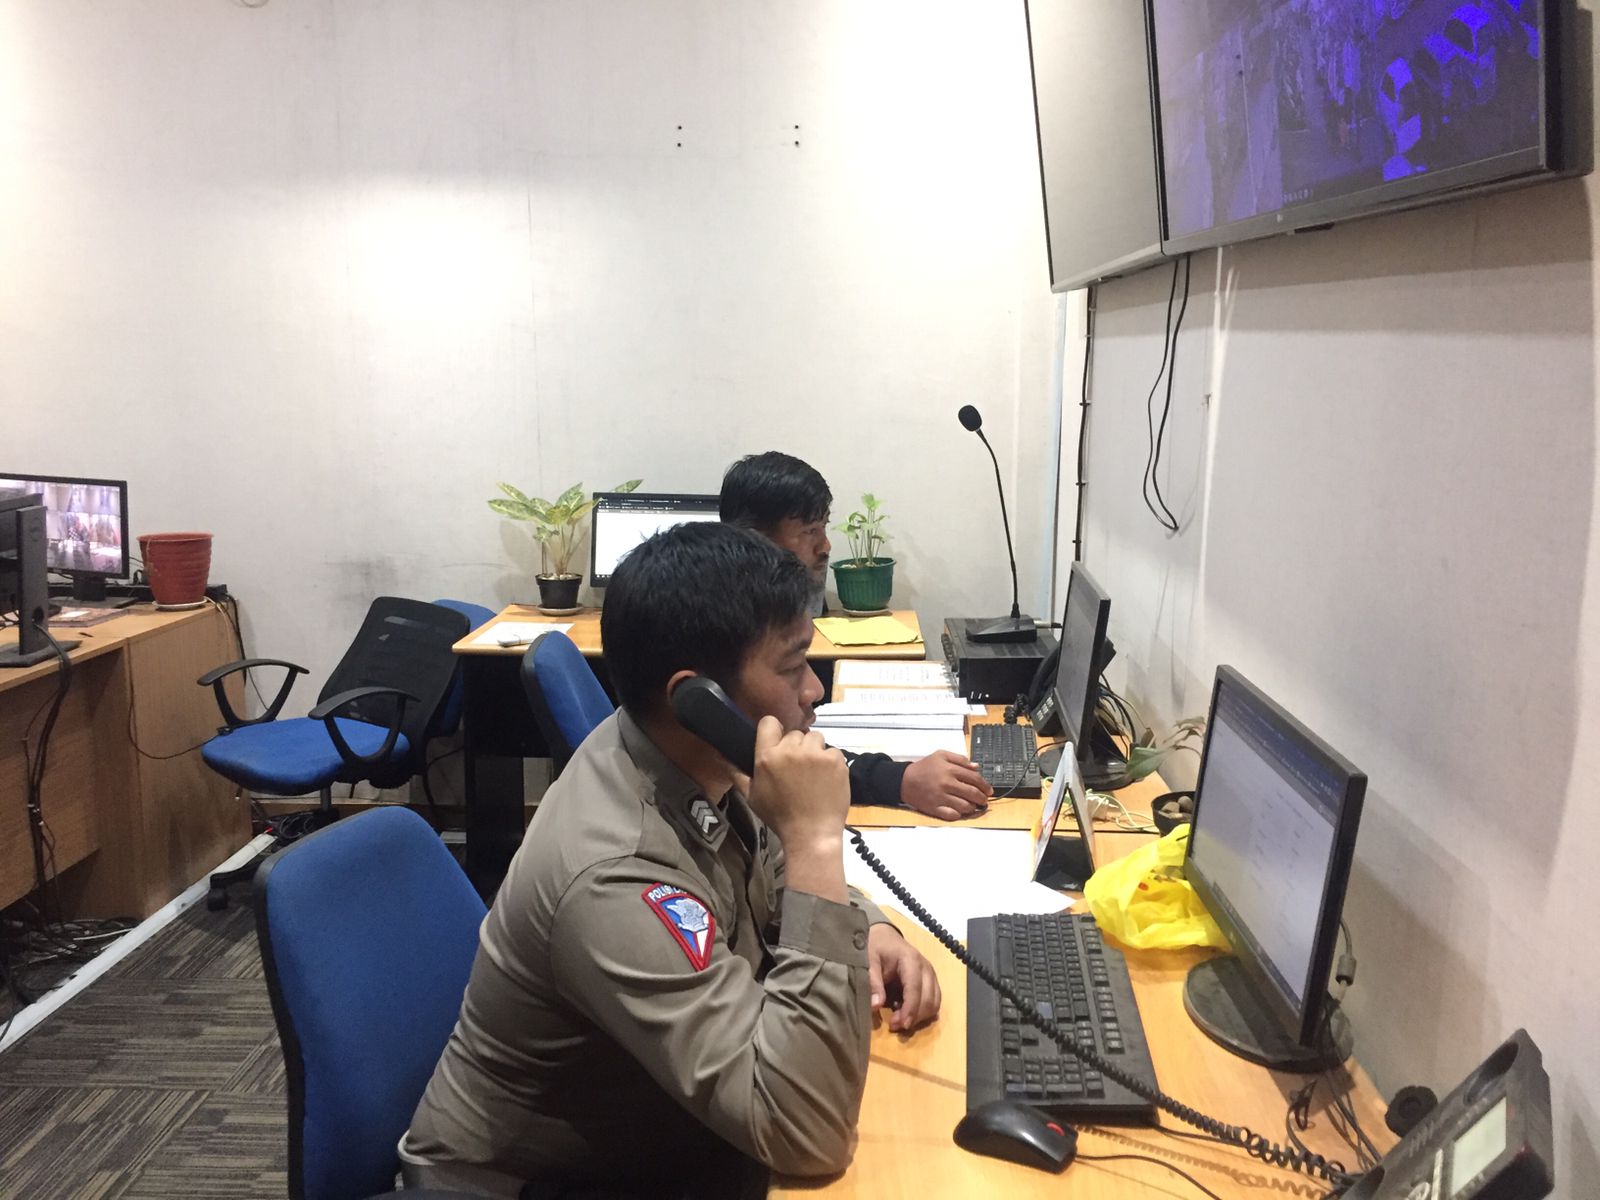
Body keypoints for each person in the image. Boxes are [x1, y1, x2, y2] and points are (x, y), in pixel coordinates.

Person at [402, 523, 941, 1198]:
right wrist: (817, 842)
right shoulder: (612, 873)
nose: (814, 690)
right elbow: (807, 1133)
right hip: (532, 1185)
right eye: (791, 666)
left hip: (663, 1129)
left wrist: (870, 924)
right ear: (697, 699)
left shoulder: (695, 754)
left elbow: (776, 878)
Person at [720, 451, 995, 821]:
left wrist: (898, 778)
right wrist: (897, 781)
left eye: (824, 528)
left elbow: (792, 747)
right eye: (809, 531)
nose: (826, 546)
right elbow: (781, 757)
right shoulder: (730, 625)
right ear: (757, 539)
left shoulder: (768, 608)